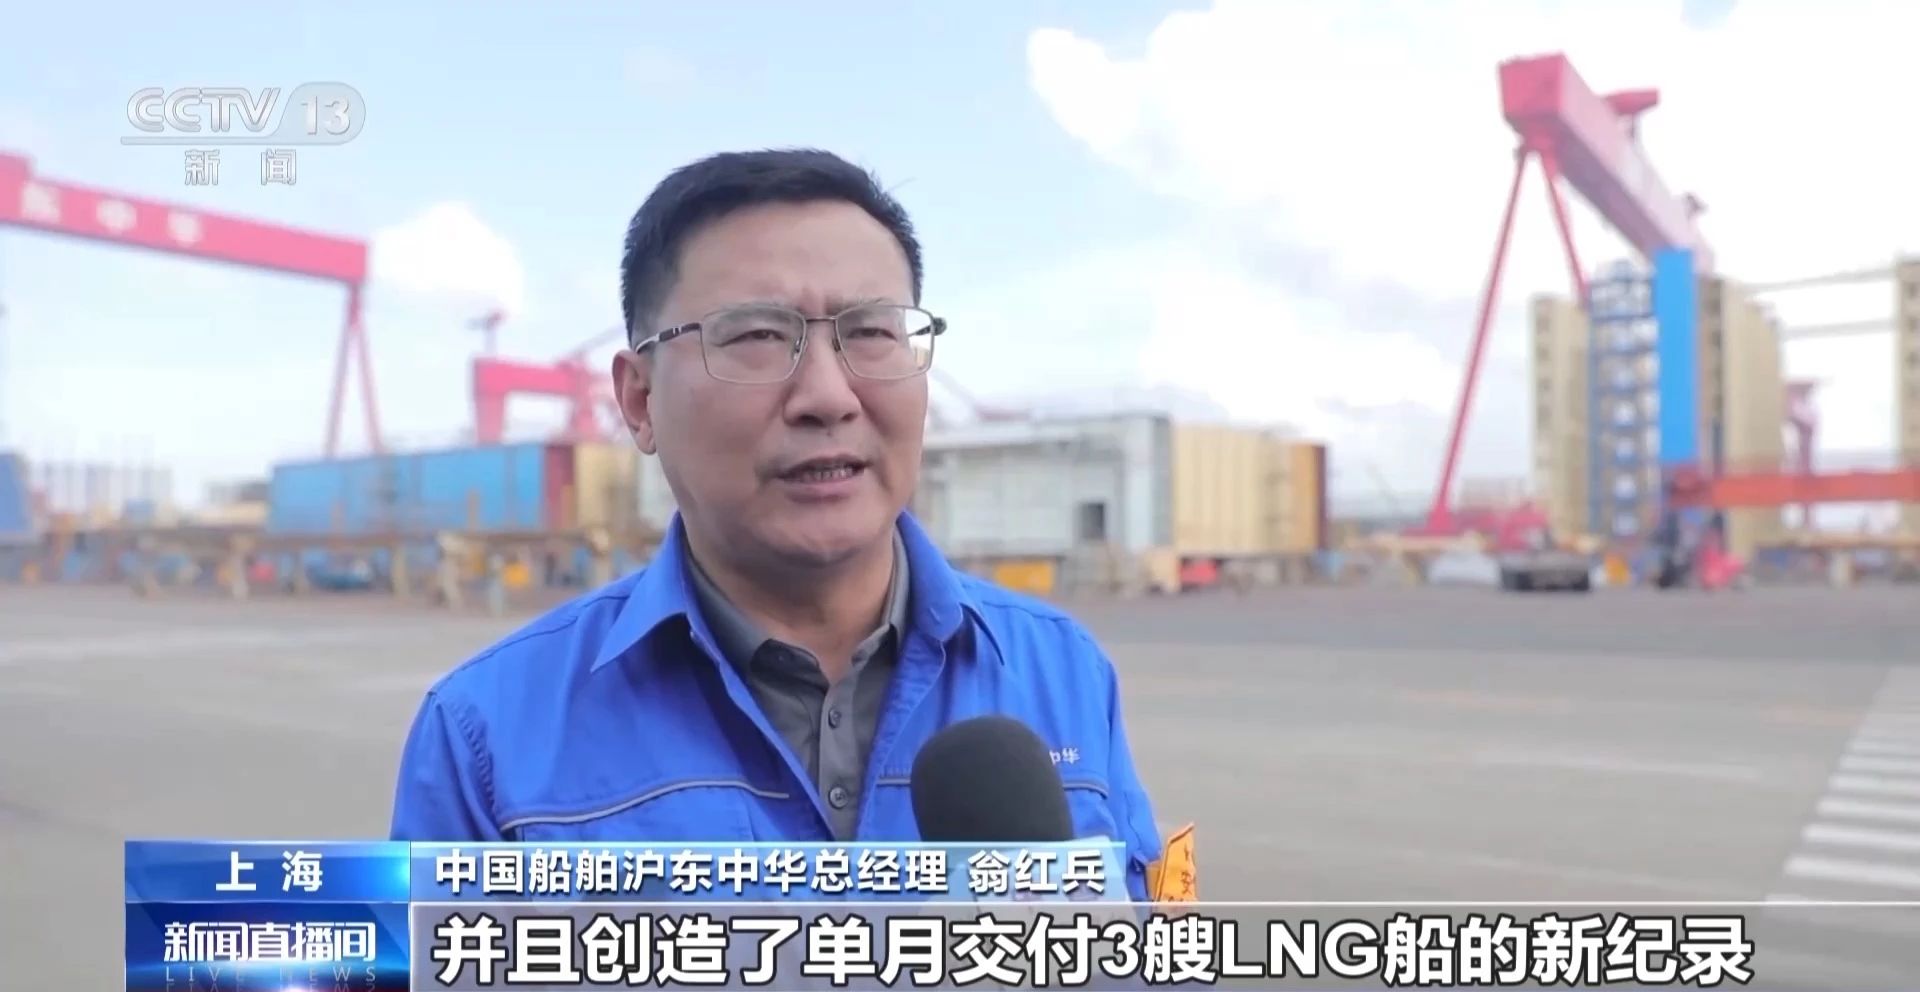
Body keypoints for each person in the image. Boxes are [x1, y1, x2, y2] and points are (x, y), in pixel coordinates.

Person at [388, 148, 1164, 899]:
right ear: (639, 399)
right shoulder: (486, 736)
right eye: (757, 336)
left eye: (872, 332)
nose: (828, 396)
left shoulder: (1062, 671)